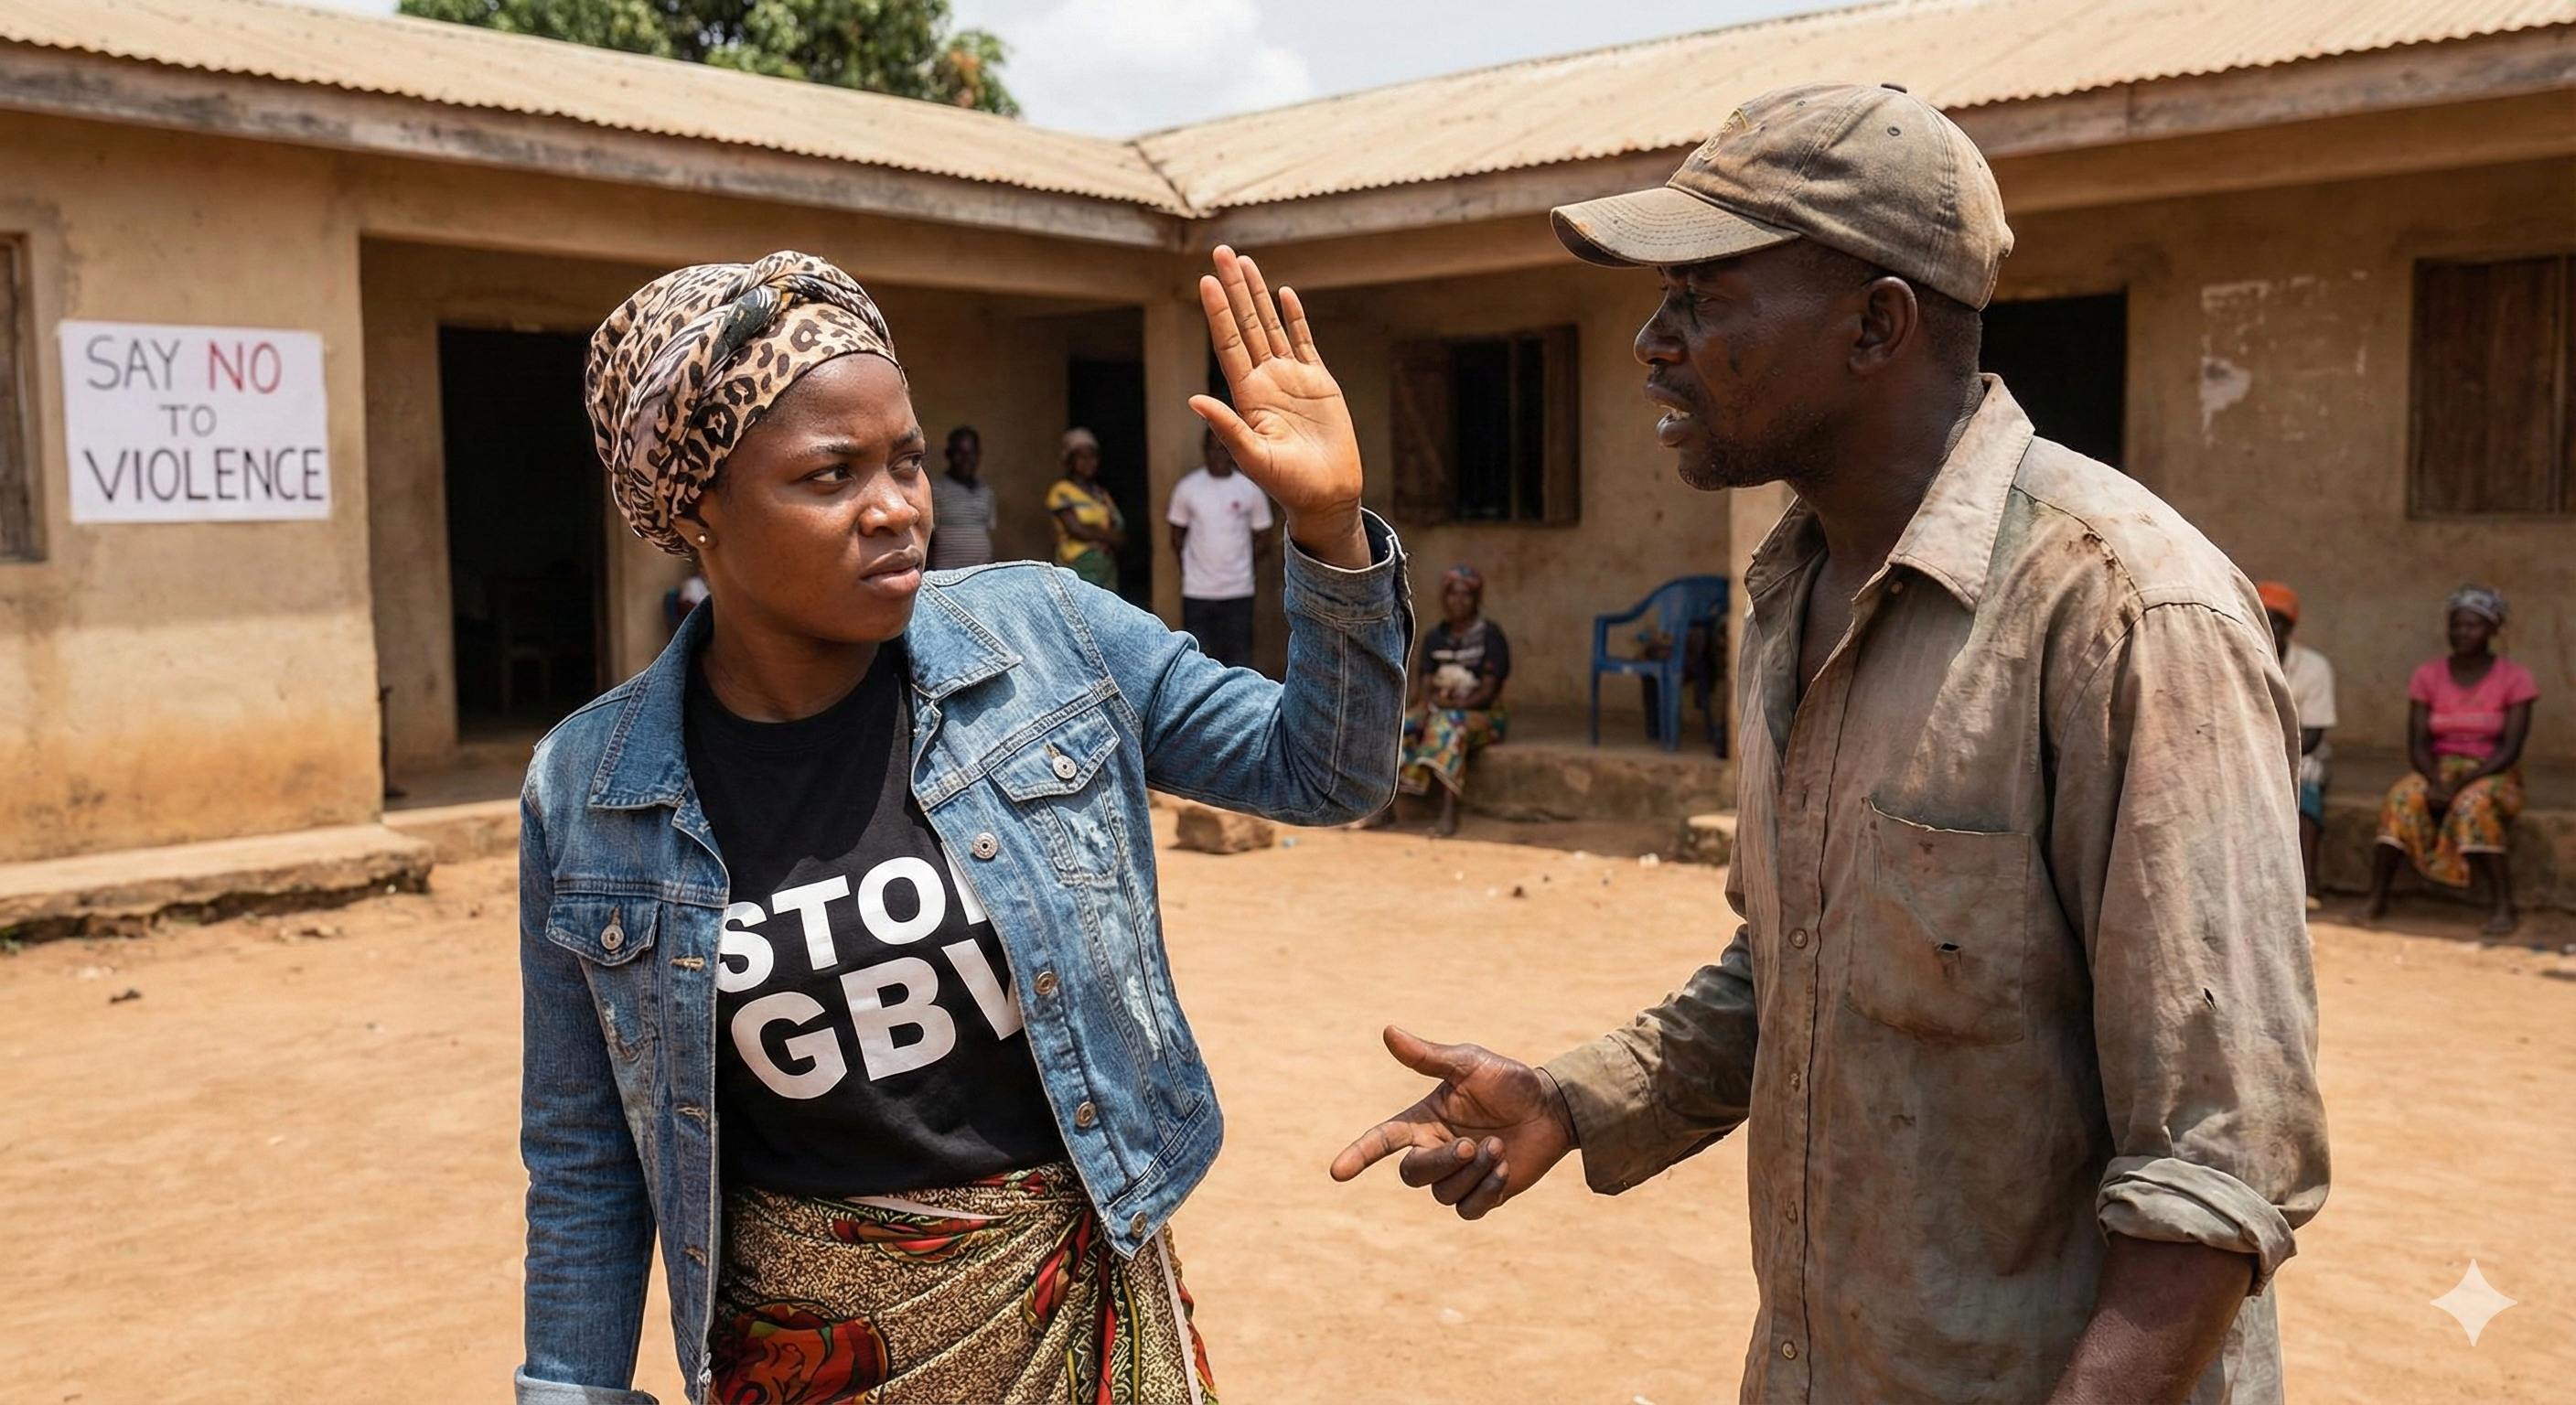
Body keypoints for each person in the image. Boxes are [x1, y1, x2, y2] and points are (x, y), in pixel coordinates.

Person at [1331, 83, 2326, 1405]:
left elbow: (2219, 1162)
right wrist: (1574, 1101)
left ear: (1878, 324)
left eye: (1706, 296)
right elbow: (1793, 971)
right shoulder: (1790, 594)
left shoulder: (2126, 615)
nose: (1653, 340)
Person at [521, 246, 1407, 1405]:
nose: (896, 509)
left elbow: (1324, 770)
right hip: (805, 1361)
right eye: (830, 475)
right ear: (695, 511)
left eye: (907, 460)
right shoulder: (589, 789)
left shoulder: (1048, 638)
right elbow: (586, 1157)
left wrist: (1331, 531)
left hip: (1080, 1323)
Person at [2367, 585, 2538, 935]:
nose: (2462, 632)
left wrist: (2458, 786)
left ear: (2493, 629)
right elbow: (2417, 744)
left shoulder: (2515, 679)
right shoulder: (2427, 676)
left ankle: (2504, 906)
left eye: (2473, 625)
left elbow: (2510, 750)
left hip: (2494, 770)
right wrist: (2435, 781)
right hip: (2438, 767)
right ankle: (2376, 897)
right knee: (2401, 799)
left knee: (2473, 806)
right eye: (2456, 624)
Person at [1389, 565, 1510, 838]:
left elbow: (1488, 693)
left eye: (1466, 595)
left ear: (1476, 600)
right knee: (1400, 727)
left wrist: (1448, 707)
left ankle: (1448, 812)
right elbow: (1424, 687)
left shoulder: (1490, 636)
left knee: (1447, 725)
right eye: (1452, 595)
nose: (1458, 601)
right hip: (1439, 709)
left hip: (1484, 716)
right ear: (1444, 598)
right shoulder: (1435, 638)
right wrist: (1423, 709)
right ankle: (1384, 809)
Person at [1166, 424, 1277, 669]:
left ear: (1232, 452)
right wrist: (1193, 569)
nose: (1218, 455)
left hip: (1238, 591)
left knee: (1238, 660)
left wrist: (1242, 564)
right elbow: (1176, 537)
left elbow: (1265, 536)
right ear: (1204, 451)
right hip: (1197, 592)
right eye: (1212, 449)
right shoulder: (1187, 489)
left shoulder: (1249, 489)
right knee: (1198, 662)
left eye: (1223, 449)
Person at [2259, 581, 2336, 909]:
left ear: (2290, 627)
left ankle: (2307, 883)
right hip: (2251, 746)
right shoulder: (2237, 656)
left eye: (2278, 621)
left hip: (2301, 749)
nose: (2270, 628)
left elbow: (2315, 733)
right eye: (2263, 618)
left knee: (2303, 785)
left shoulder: (2313, 667)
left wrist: (2271, 756)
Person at [1046, 426, 1125, 591]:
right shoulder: (1061, 491)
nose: (1088, 462)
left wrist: (1103, 535)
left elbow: (1118, 528)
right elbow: (1076, 529)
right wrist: (1108, 537)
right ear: (1069, 461)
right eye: (1081, 457)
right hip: (1077, 566)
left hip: (1105, 567)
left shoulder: (1100, 493)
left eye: (1092, 457)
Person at [928, 424, 998, 569]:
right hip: (947, 575)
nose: (966, 459)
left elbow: (985, 532)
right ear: (949, 454)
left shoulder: (986, 492)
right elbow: (929, 537)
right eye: (960, 453)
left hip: (981, 575)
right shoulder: (936, 490)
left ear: (978, 455)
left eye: (971, 453)